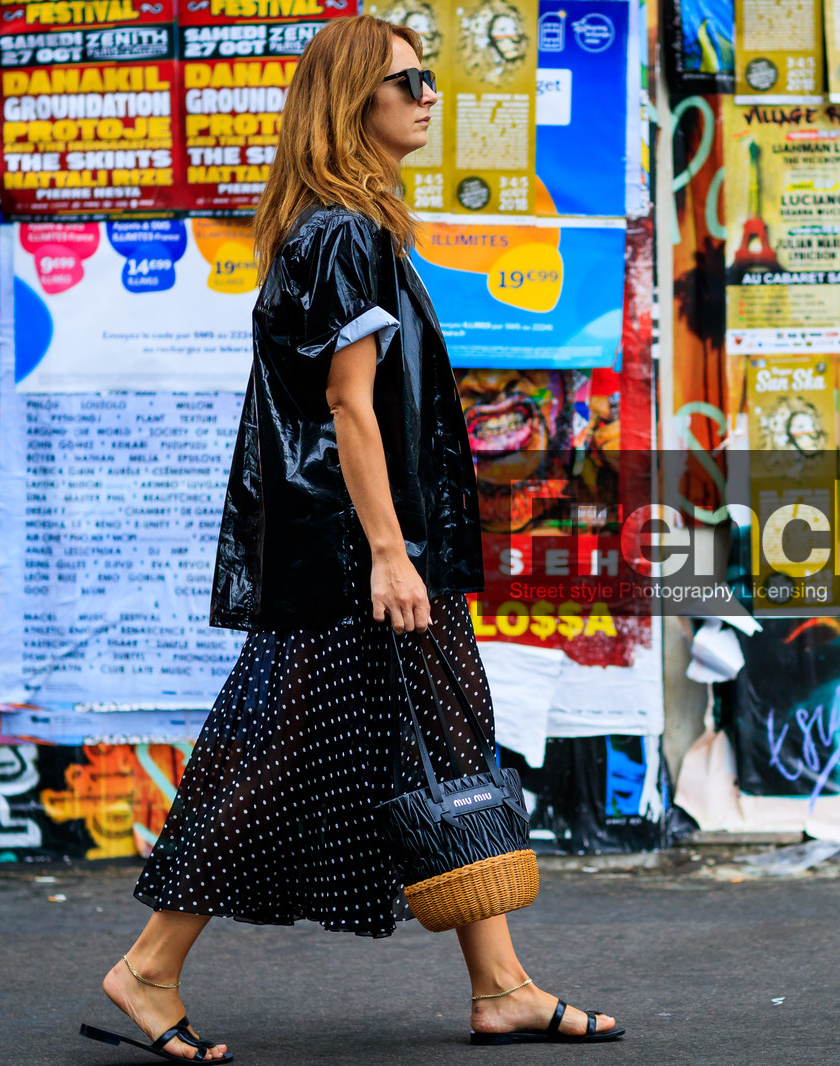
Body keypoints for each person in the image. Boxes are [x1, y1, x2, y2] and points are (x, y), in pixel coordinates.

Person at [79, 15, 623, 1063]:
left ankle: (500, 984)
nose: (428, 97)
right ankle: (147, 965)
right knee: (276, 753)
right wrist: (386, 551)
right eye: (405, 82)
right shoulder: (341, 232)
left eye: (427, 79)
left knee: (439, 732)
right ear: (350, 106)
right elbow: (349, 407)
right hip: (353, 563)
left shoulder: (346, 226)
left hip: (356, 556)